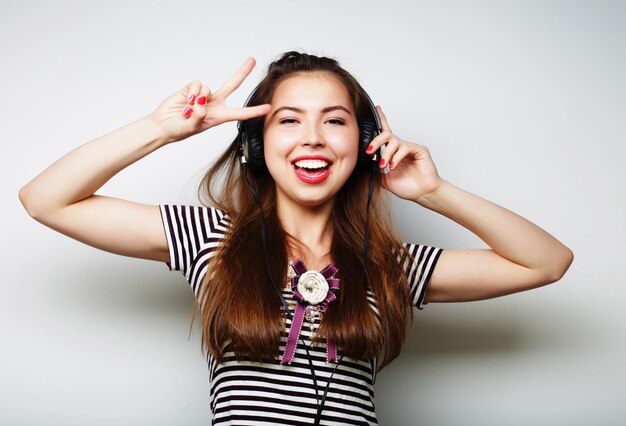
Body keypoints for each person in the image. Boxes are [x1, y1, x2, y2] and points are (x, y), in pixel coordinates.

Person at [19, 51, 573, 425]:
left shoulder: (390, 264)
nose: (313, 137)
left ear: (364, 143)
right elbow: (46, 199)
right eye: (288, 121)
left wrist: (433, 192)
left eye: (334, 121)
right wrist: (159, 130)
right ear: (257, 144)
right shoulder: (210, 239)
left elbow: (546, 262)